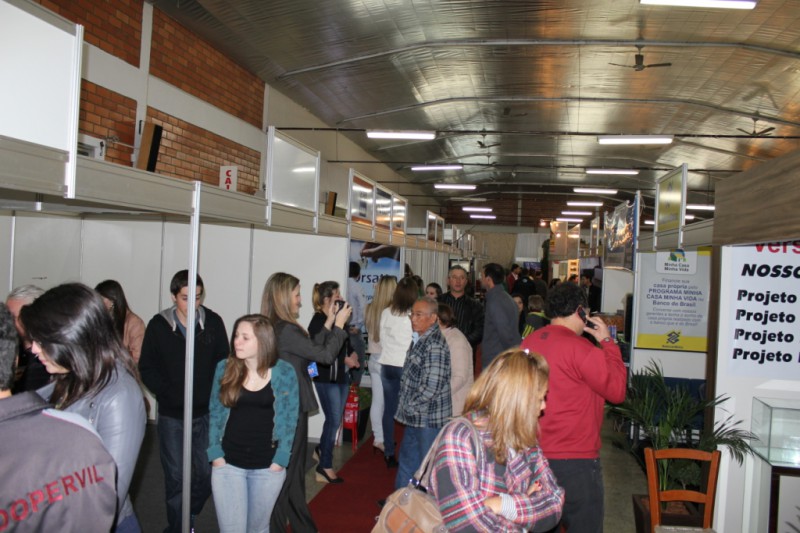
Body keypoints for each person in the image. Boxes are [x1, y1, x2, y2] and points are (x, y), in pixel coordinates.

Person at [20, 283, 146, 532]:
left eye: (41, 340)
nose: (34, 349)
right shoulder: (68, 378)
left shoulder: (119, 395)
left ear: (72, 337)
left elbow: (108, 497)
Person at [0, 302, 119, 533]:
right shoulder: (83, 439)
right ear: (15, 360)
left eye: (41, 341)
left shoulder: (113, 396)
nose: (35, 349)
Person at [521, 282, 627, 533]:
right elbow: (617, 392)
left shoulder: (527, 344)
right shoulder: (583, 349)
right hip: (576, 462)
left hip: (532, 458)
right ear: (580, 311)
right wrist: (608, 342)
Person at [429, 348, 565, 532]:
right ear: (518, 400)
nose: (543, 406)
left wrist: (502, 505)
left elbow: (554, 502)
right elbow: (467, 526)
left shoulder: (524, 439)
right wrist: (526, 508)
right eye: (539, 399)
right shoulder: (460, 438)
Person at [139, 270, 229, 533]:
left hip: (204, 414)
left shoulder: (213, 323)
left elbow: (224, 364)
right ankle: (179, 526)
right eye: (186, 298)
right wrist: (168, 393)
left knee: (204, 473)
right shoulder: (158, 325)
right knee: (176, 476)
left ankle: (188, 512)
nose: (193, 304)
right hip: (171, 416)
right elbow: (147, 367)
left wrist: (215, 394)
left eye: (198, 298)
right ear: (173, 297)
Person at [261, 272, 350, 533]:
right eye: (297, 295)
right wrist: (340, 328)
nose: (301, 301)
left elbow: (311, 350)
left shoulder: (281, 327)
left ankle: (302, 527)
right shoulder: (285, 329)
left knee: (293, 476)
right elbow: (323, 356)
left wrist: (331, 322)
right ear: (283, 297)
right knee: (286, 477)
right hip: (290, 408)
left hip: (291, 406)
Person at [207, 314, 299, 533]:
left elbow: (289, 418)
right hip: (228, 464)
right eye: (236, 335)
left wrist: (280, 460)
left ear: (263, 341)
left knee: (258, 529)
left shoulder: (285, 372)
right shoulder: (224, 368)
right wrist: (215, 455)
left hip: (268, 467)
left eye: (245, 337)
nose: (237, 341)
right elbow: (215, 412)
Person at [394, 297, 451, 489]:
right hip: (417, 416)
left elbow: (431, 386)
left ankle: (423, 513)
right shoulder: (421, 338)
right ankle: (400, 509)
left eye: (419, 315)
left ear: (433, 318)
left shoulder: (434, 344)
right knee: (408, 462)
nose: (413, 319)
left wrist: (410, 405)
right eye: (412, 314)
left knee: (427, 470)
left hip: (428, 419)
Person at [308, 281, 360, 484]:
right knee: (333, 419)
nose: (340, 297)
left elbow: (342, 342)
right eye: (337, 294)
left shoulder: (338, 317)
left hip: (340, 376)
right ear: (326, 299)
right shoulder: (317, 321)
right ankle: (325, 465)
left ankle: (322, 450)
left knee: (334, 419)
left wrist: (350, 354)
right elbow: (317, 350)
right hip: (324, 377)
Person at [378, 276, 417, 468]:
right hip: (405, 366)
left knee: (389, 410)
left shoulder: (386, 312)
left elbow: (382, 338)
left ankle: (388, 451)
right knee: (411, 411)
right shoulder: (414, 315)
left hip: (387, 365)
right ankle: (408, 452)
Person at [364, 275, 397, 455]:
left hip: (373, 359)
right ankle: (385, 438)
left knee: (378, 402)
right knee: (389, 404)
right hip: (387, 360)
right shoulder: (392, 312)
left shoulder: (370, 309)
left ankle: (379, 438)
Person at [5, 285, 49, 392]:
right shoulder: (8, 350)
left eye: (13, 317)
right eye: (6, 316)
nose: (7, 323)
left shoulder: (47, 360)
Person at [481, 263, 521, 370]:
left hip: (496, 360)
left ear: (488, 280)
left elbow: (504, 332)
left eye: (482, 276)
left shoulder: (495, 301)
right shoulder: (506, 297)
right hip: (502, 358)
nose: (481, 279)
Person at [95, 279, 147, 363]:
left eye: (101, 298)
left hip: (124, 372)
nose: (98, 303)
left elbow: (137, 357)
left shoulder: (134, 323)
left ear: (113, 299)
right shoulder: (101, 319)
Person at [437, 302, 473, 417]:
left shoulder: (456, 340)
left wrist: (437, 395)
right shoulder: (441, 336)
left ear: (437, 319)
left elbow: (460, 377)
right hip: (445, 404)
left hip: (455, 406)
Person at [440, 266, 484, 352]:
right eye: (454, 277)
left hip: (465, 349)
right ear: (448, 280)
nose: (458, 281)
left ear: (466, 281)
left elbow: (479, 330)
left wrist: (461, 342)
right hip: (440, 349)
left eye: (462, 278)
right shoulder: (438, 302)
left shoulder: (476, 305)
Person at [346, 262, 367, 385]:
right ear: (358, 274)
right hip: (353, 330)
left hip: (339, 330)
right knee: (357, 367)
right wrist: (359, 326)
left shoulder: (339, 281)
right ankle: (353, 395)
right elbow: (363, 307)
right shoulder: (356, 286)